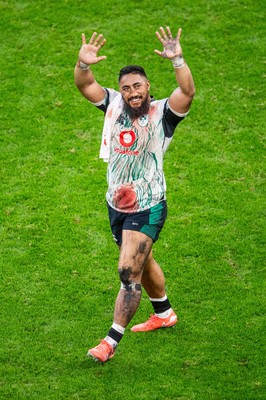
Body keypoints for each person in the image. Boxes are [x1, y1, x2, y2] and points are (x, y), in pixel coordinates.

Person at [74, 25, 195, 363]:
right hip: (117, 204)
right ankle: (164, 312)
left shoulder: (162, 115)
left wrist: (178, 59)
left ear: (148, 87)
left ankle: (110, 341)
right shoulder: (113, 104)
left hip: (149, 206)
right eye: (127, 88)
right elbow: (85, 85)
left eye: (138, 86)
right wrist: (83, 65)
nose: (132, 92)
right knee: (145, 259)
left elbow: (188, 91)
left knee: (129, 272)